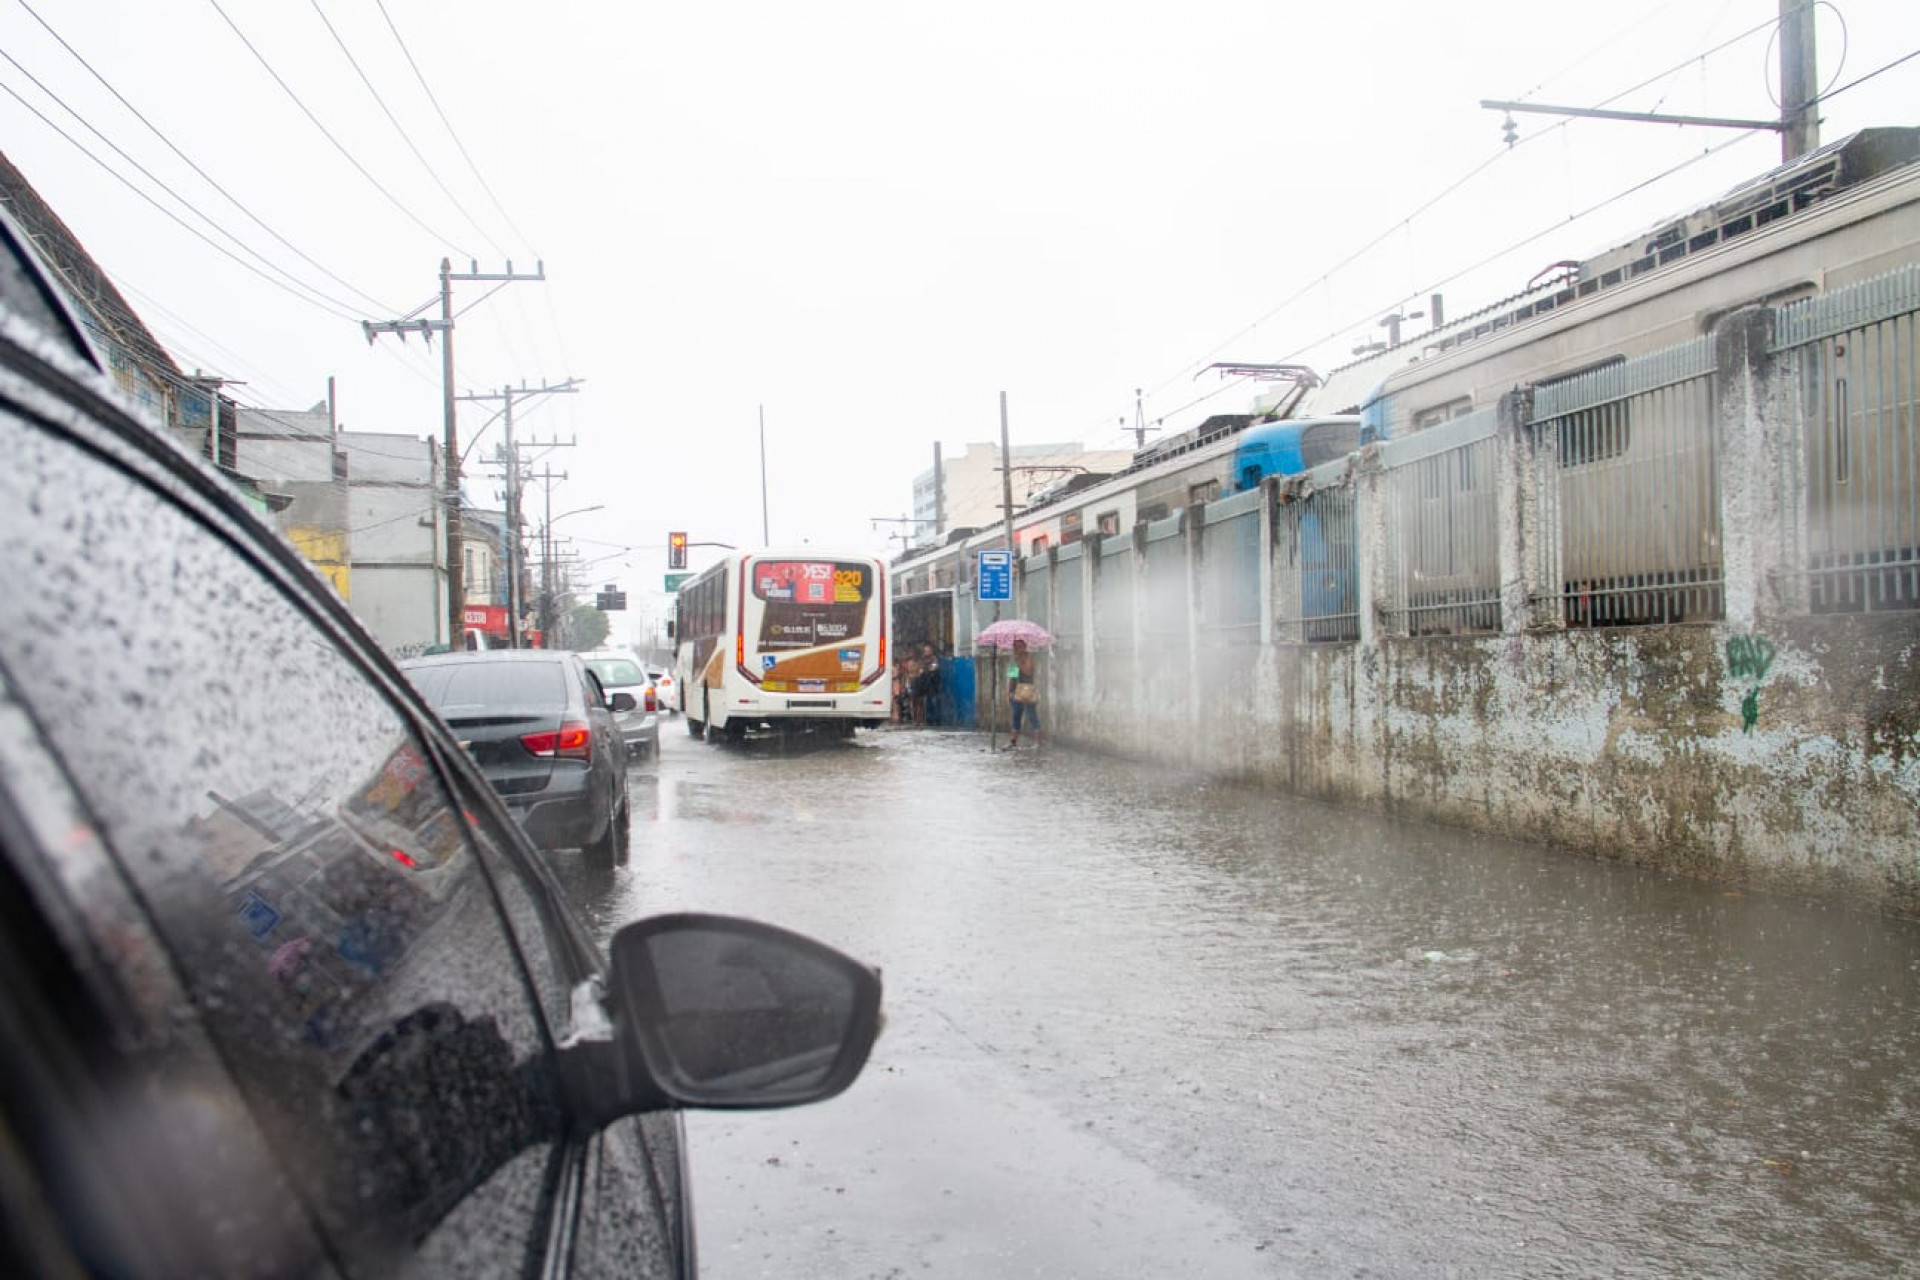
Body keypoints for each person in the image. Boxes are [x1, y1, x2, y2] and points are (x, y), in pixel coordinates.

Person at [1006, 638, 1041, 749]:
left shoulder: (1028, 658)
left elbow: (1029, 672)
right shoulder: (1014, 660)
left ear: (1024, 647)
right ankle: (1013, 742)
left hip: (1028, 691)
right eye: (1015, 647)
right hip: (1017, 692)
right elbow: (1012, 678)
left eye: (1019, 646)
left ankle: (1037, 742)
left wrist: (1020, 663)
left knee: (1032, 716)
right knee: (1016, 717)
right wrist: (1009, 692)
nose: (1017, 649)